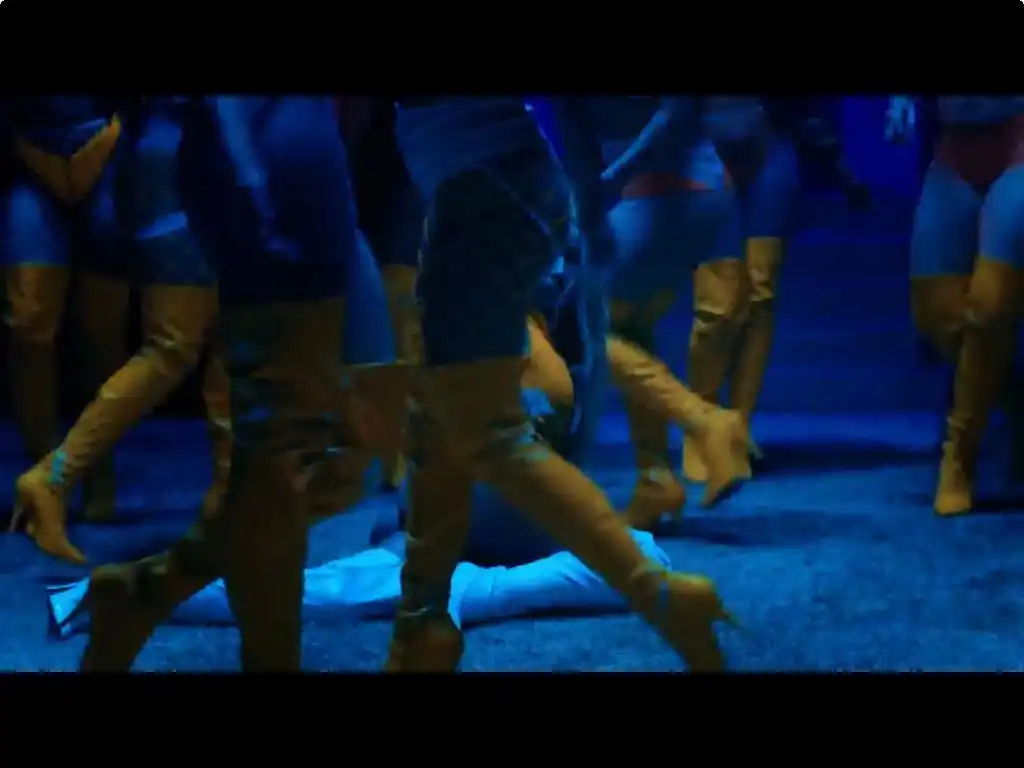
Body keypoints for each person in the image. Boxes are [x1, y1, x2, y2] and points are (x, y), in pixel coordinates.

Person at [47, 294, 672, 640]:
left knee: (322, 587)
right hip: (474, 509)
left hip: (449, 508)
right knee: (645, 562)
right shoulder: (516, 330)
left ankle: (129, 590)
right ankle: (466, 589)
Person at [385, 96, 734, 673]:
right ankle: (422, 628)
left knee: (484, 429)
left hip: (486, 189)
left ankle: (661, 595)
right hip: (495, 185)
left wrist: (591, 199)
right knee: (443, 410)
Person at [77, 97, 374, 672]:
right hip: (258, 157)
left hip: (305, 150)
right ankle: (267, 657)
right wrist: (248, 170)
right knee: (286, 447)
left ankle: (149, 590)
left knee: (339, 452)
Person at [8, 98, 228, 563]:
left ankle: (75, 476)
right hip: (160, 152)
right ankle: (52, 475)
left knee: (146, 334)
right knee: (176, 343)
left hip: (147, 151)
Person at [684, 97, 869, 483]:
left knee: (761, 292)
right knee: (717, 304)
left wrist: (838, 163)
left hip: (769, 141)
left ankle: (738, 428)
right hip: (702, 146)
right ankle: (701, 424)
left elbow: (806, 107)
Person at [0, 97, 130, 527]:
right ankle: (44, 476)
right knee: (29, 321)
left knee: (102, 327)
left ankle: (96, 465)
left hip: (108, 145)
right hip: (28, 153)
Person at [891, 96, 1024, 515]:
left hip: (1018, 137)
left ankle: (959, 457)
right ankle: (1018, 410)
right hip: (953, 147)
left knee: (990, 304)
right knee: (934, 312)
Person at [339, 97, 425, 489]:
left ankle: (395, 452)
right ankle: (391, 452)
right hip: (389, 154)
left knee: (398, 307)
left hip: (395, 156)